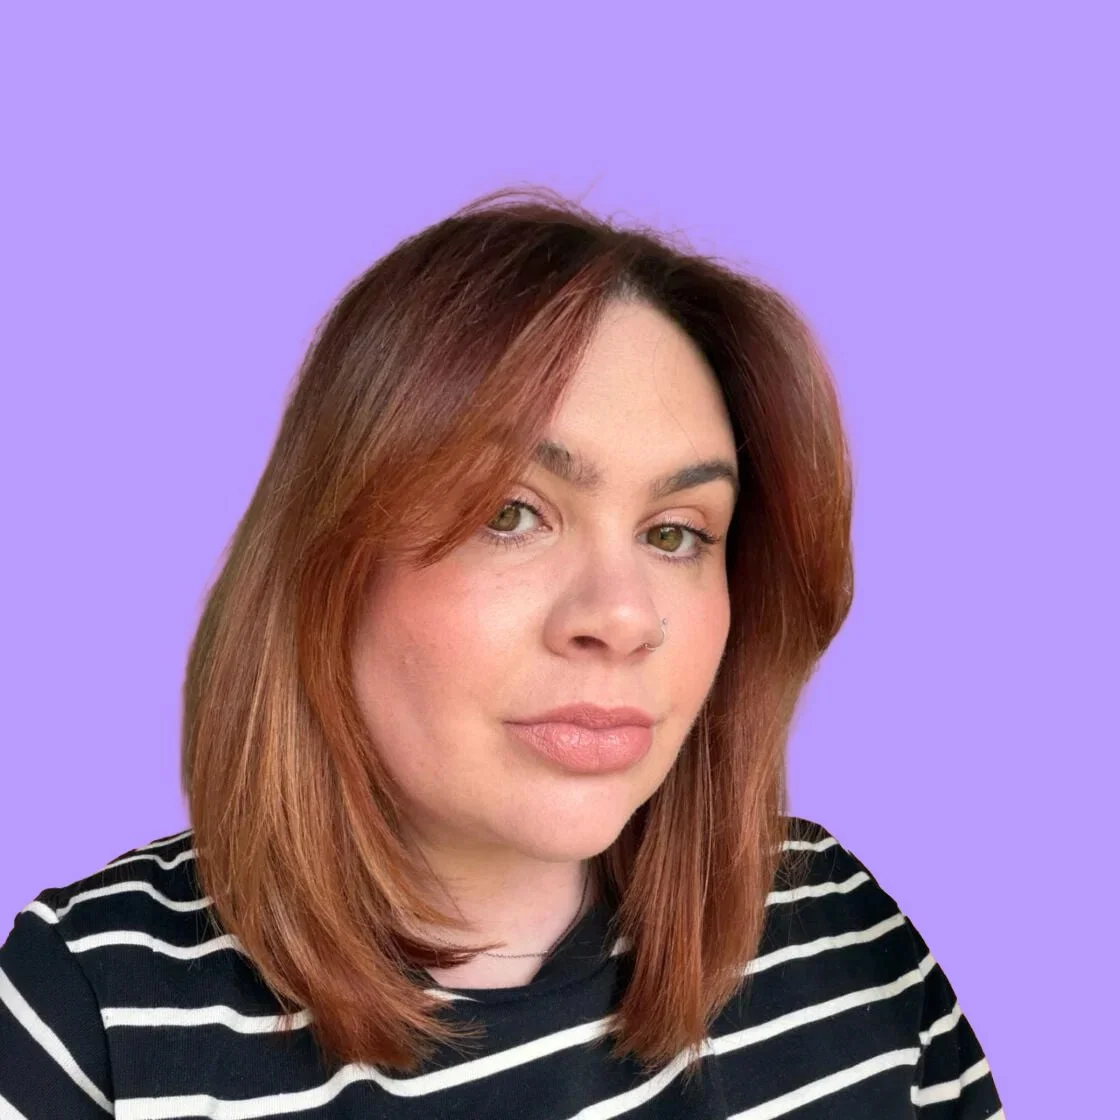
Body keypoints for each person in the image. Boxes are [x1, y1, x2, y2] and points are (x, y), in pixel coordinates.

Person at [0, 186, 1004, 1118]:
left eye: (675, 533)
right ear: (326, 561)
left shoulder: (844, 931)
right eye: (509, 513)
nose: (621, 616)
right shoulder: (87, 1011)